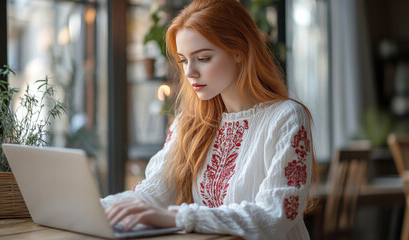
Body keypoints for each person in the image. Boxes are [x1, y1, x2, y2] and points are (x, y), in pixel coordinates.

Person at [101, 0, 317, 239]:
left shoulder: (285, 117)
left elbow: (276, 213)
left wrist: (179, 217)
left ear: (239, 51)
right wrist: (98, 209)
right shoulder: (189, 121)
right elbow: (153, 191)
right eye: (183, 60)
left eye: (203, 58)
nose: (189, 72)